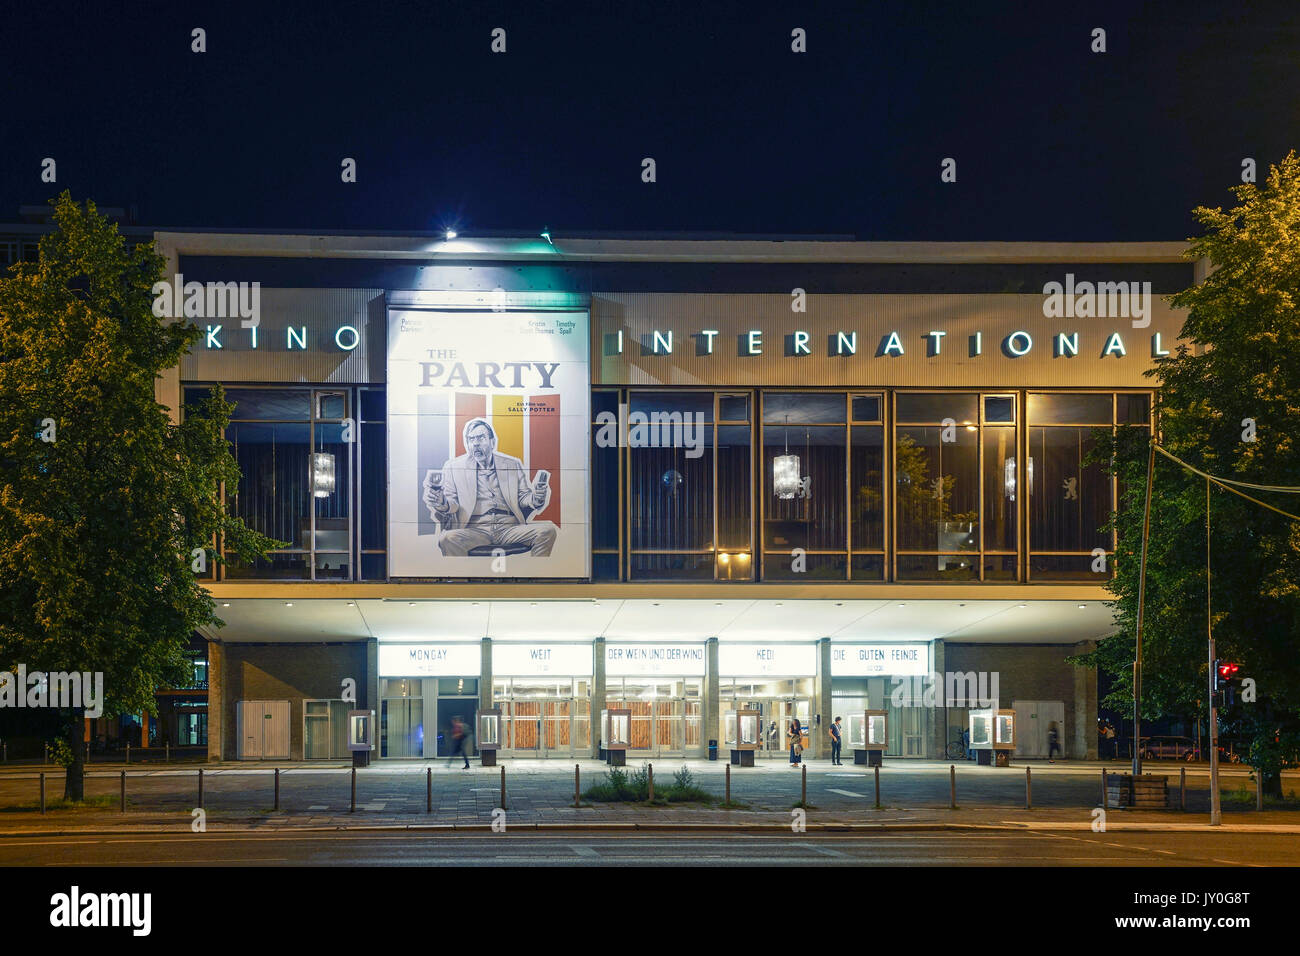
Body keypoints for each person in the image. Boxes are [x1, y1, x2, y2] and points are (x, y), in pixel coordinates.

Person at [423, 418, 557, 557]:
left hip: (510, 529)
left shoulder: (512, 465)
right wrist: (441, 502)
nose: (475, 444)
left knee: (547, 531)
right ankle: (461, 575)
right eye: (471, 439)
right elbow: (453, 504)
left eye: (480, 438)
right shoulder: (454, 467)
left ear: (492, 442)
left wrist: (536, 499)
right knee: (448, 539)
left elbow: (523, 497)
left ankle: (534, 575)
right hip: (475, 531)